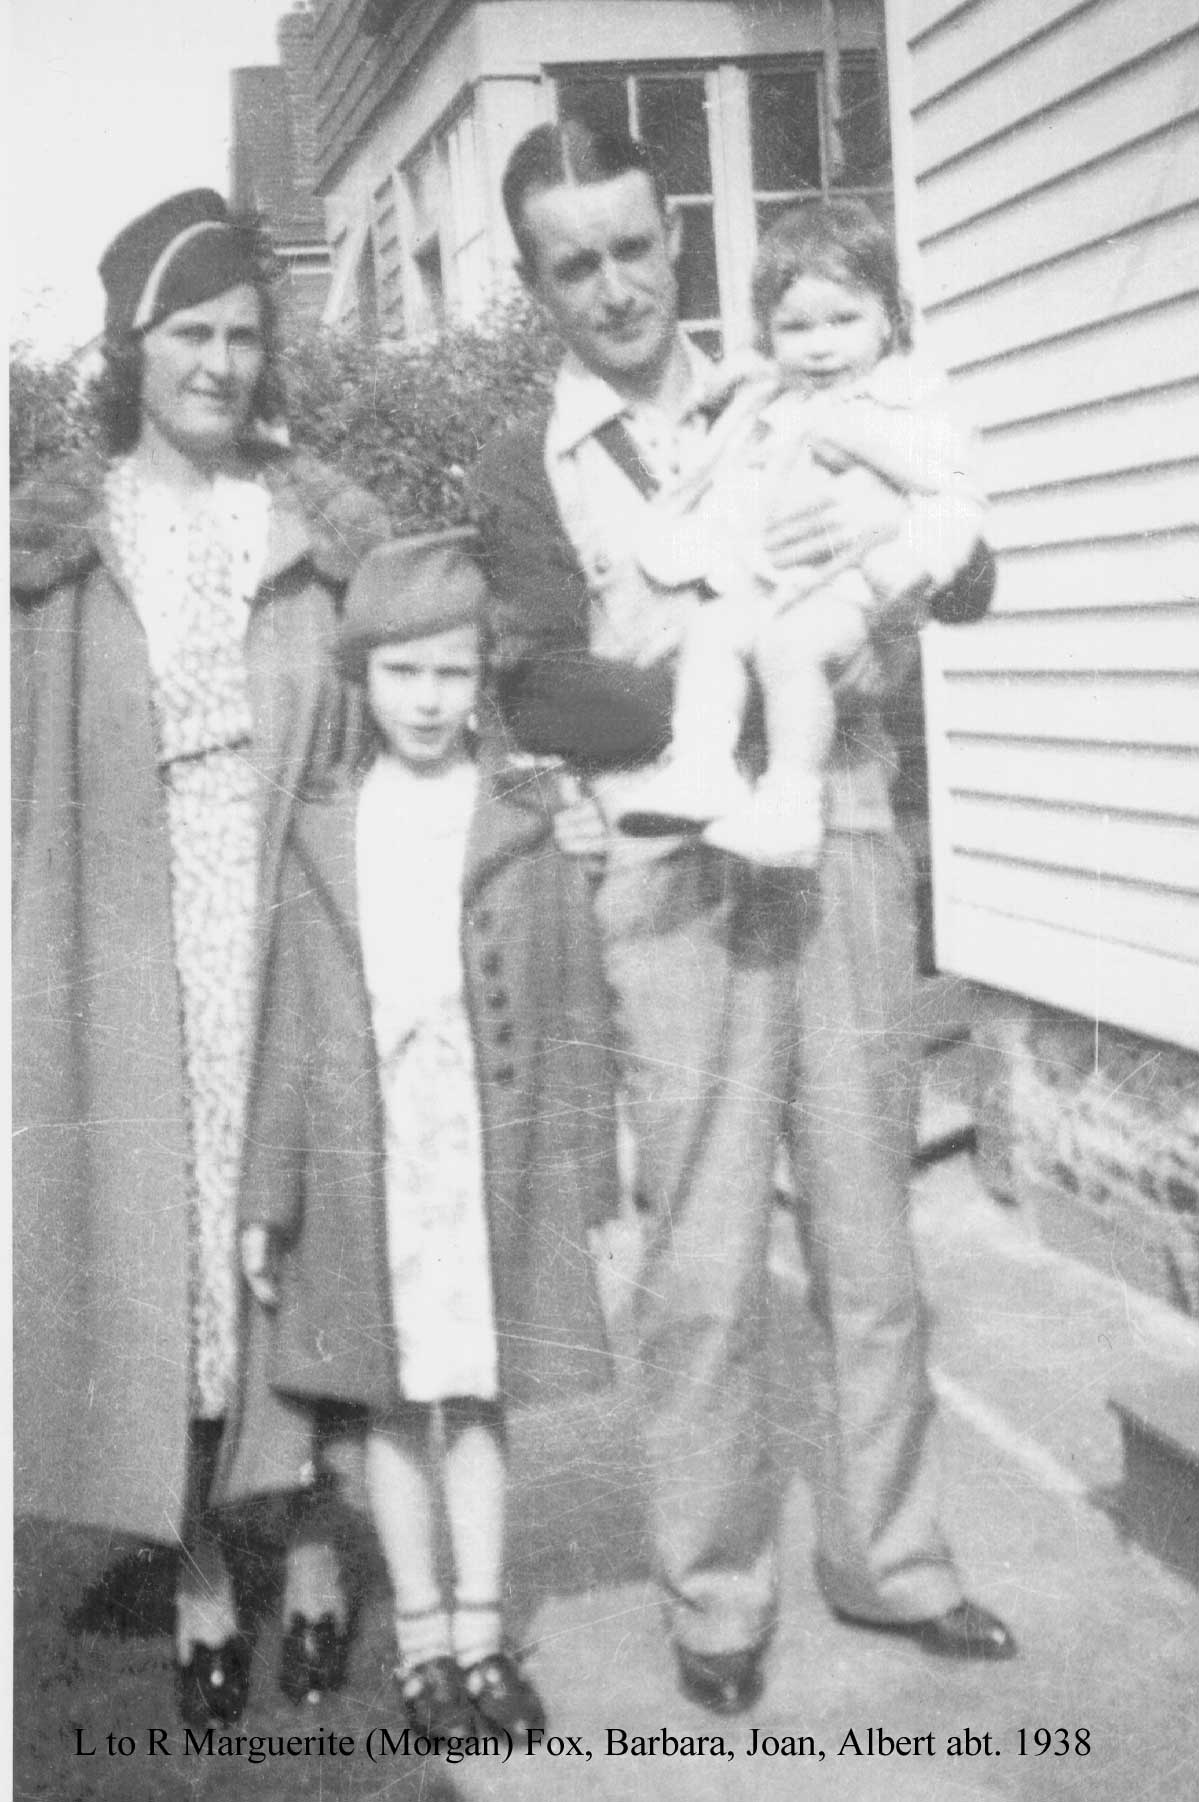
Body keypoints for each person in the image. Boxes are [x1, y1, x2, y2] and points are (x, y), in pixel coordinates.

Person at [469, 118, 1014, 1715]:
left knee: (868, 1234)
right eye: (575, 264)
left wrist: (871, 546)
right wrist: (730, 679)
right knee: (699, 1262)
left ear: (674, 239)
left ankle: (895, 1560)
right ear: (535, 283)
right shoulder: (528, 460)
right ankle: (715, 1594)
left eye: (636, 246)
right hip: (669, 867)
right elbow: (539, 683)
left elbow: (969, 568)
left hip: (841, 833)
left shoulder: (800, 373)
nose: (616, 284)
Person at [11, 188, 389, 1727]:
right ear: (133, 346)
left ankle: (304, 1541)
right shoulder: (59, 545)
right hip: (126, 921)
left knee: (285, 1228)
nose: (221, 364)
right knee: (159, 1240)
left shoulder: (313, 530)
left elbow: (379, 738)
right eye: (191, 335)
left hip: (286, 912)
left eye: (243, 336)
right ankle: (195, 1570)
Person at [230, 532, 619, 1743]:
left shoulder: (518, 815)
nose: (428, 699)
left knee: (479, 1395)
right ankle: (421, 1644)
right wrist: (268, 1196)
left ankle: (484, 1631)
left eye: (452, 674)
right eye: (403, 673)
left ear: (481, 682)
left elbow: (572, 1007)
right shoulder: (324, 824)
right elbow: (292, 1026)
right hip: (368, 1156)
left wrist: (594, 1184)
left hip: (480, 1147)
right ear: (362, 676)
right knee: (392, 1408)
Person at [619, 199, 984, 867]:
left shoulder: (903, 406)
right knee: (713, 630)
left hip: (849, 599)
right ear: (767, 333)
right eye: (795, 328)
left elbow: (954, 498)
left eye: (843, 320)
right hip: (768, 587)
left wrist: (913, 558)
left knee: (790, 647)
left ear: (887, 321)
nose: (819, 345)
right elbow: (735, 498)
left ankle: (791, 803)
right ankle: (703, 765)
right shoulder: (770, 408)